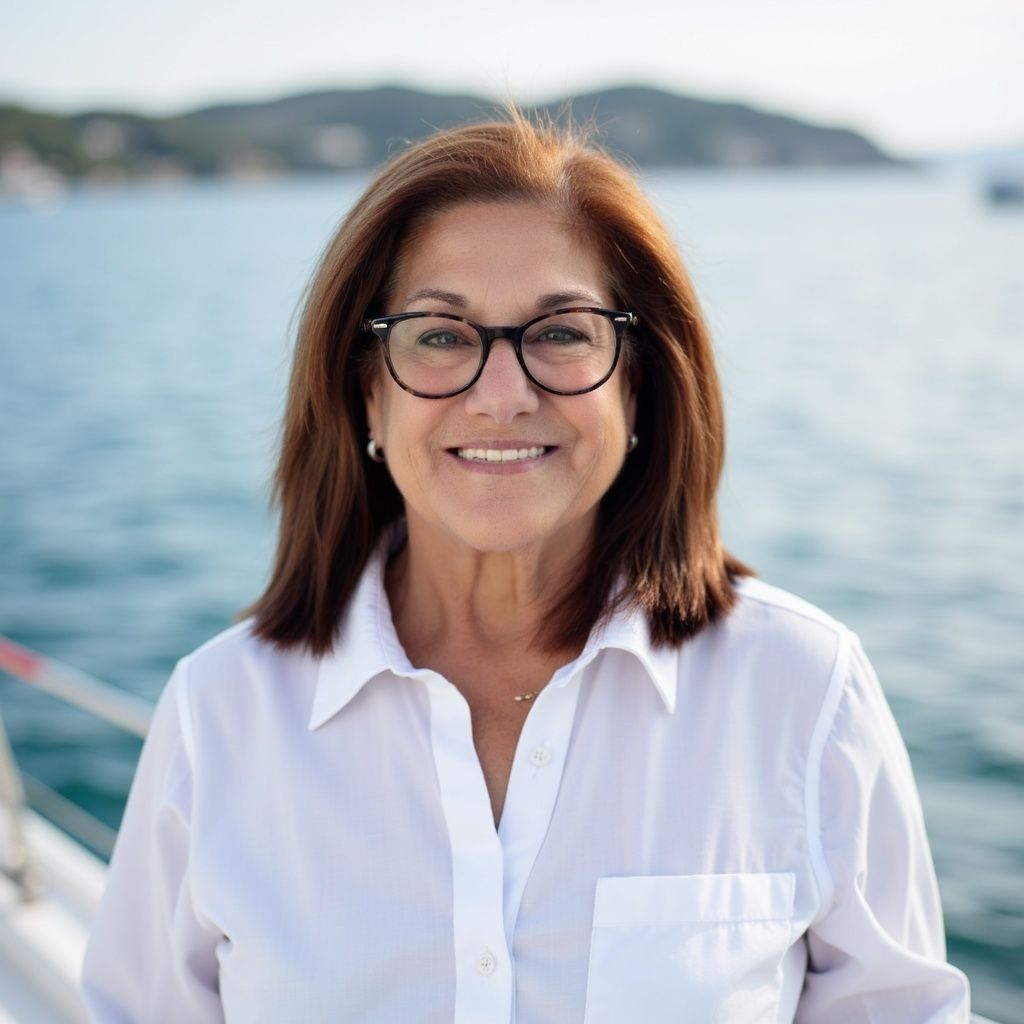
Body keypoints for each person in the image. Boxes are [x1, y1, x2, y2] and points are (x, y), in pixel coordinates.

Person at [82, 112, 971, 1022]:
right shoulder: (221, 712)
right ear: (365, 396)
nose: (501, 396)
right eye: (437, 336)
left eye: (562, 334)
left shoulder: (802, 687)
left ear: (642, 388)